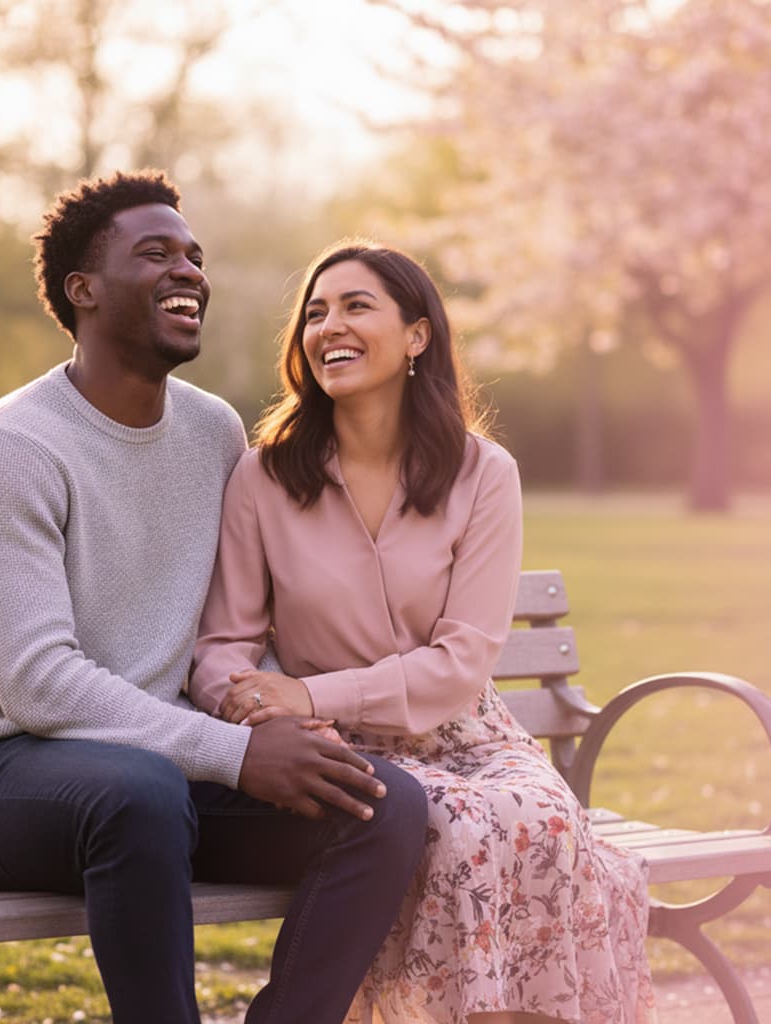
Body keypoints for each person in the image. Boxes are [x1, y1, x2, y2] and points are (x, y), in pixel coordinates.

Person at [0, 172, 429, 1024]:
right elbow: (38, 684)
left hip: (166, 768)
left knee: (380, 804)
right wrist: (233, 757)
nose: (187, 271)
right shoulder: (11, 447)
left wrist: (271, 724)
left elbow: (231, 620)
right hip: (6, 777)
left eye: (193, 256)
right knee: (138, 791)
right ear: (82, 290)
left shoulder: (212, 430)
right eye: (154, 254)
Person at [190, 241, 657, 1024]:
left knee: (542, 823)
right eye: (314, 312)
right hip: (339, 746)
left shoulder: (483, 473)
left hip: (469, 733)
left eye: (354, 306)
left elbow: (462, 660)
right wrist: (247, 703)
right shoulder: (263, 475)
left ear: (417, 336)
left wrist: (303, 688)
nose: (327, 325)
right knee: (452, 831)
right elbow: (222, 646)